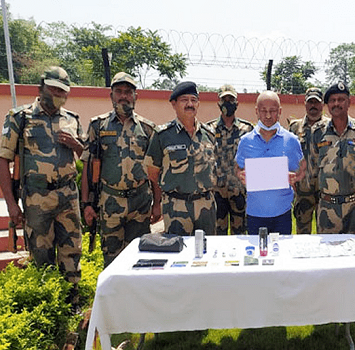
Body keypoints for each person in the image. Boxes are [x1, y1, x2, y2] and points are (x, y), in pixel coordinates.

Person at [0, 66, 84, 306]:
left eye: (62, 91)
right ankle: (47, 309)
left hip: (68, 195)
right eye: (53, 88)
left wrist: (76, 143)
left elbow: (86, 156)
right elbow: (3, 159)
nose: (57, 94)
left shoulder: (72, 119)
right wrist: (11, 205)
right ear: (41, 87)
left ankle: (72, 305)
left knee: (71, 252)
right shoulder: (20, 117)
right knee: (41, 256)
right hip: (37, 197)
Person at [80, 72, 158, 267]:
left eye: (128, 92)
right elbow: (88, 167)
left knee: (140, 256)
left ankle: (137, 296)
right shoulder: (97, 126)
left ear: (135, 97)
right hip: (110, 202)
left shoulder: (148, 129)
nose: (124, 96)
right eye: (119, 91)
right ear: (111, 95)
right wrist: (86, 204)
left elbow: (155, 170)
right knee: (111, 258)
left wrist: (158, 203)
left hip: (140, 202)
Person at [144, 81, 217, 235]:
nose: (189, 104)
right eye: (184, 100)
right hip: (176, 207)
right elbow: (152, 172)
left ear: (198, 104)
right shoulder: (162, 135)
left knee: (206, 251)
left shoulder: (209, 134)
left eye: (193, 100)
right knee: (177, 253)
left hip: (206, 206)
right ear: (174, 104)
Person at [309, 81, 355, 244]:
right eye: (332, 100)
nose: (336, 103)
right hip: (328, 208)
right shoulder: (317, 132)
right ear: (327, 105)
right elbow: (314, 166)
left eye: (341, 99)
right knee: (328, 258)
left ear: (349, 102)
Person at [235, 90, 304, 235]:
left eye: (272, 111)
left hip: (282, 213)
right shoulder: (245, 141)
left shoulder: (291, 141)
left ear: (279, 111)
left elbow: (302, 169)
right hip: (255, 213)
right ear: (256, 111)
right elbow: (237, 168)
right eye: (263, 111)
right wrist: (241, 176)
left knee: (281, 254)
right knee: (257, 255)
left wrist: (295, 177)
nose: (267, 116)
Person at [206, 84, 254, 235]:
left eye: (231, 99)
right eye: (224, 99)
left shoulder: (247, 129)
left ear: (237, 103)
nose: (228, 102)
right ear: (218, 104)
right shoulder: (209, 129)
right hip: (217, 190)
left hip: (239, 190)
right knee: (217, 235)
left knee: (239, 234)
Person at [288, 87, 329, 234]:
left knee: (324, 235)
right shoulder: (295, 127)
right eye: (310, 102)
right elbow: (289, 155)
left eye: (316, 103)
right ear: (305, 104)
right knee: (302, 234)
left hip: (324, 192)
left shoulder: (330, 127)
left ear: (322, 105)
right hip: (302, 191)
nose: (313, 106)